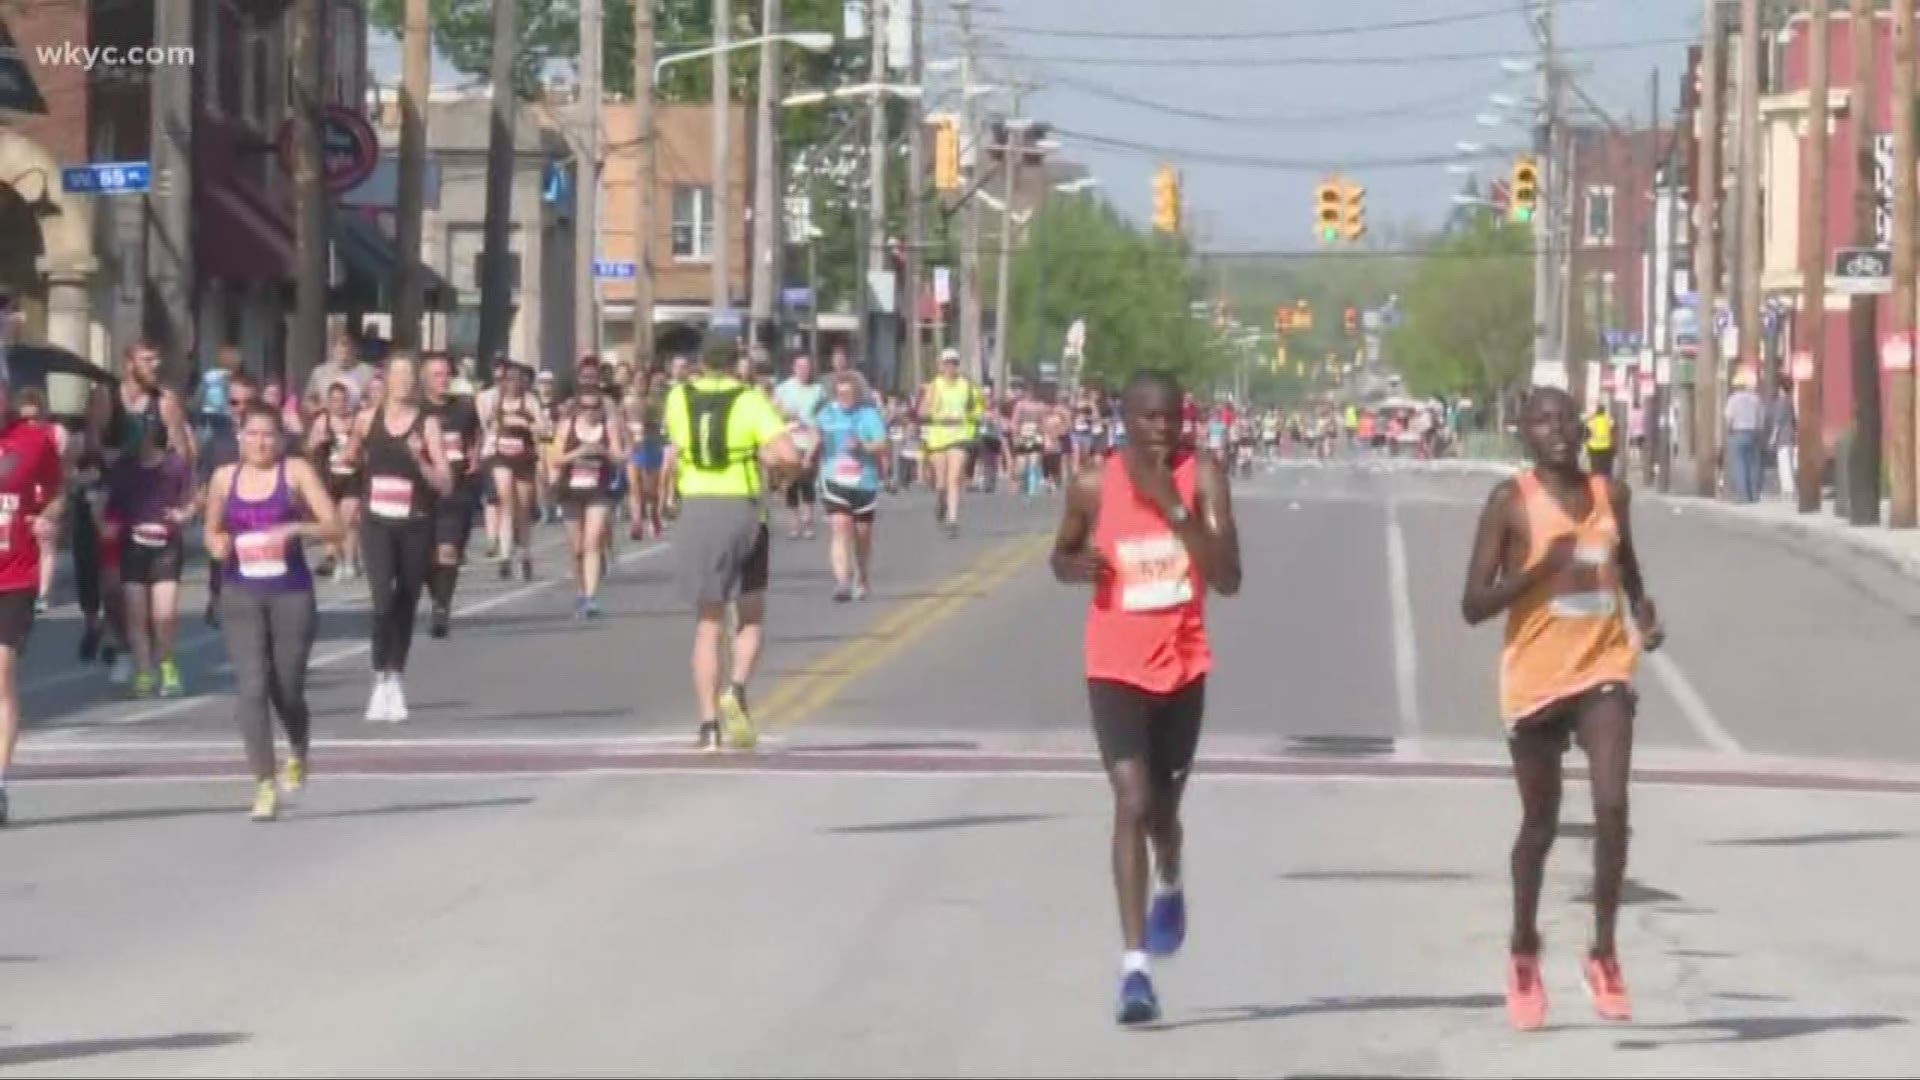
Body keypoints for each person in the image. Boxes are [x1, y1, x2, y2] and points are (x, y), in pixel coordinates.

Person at [1460, 385, 1664, 1032]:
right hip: (1535, 683)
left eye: (1566, 418)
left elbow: (1626, 564)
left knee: (1611, 806)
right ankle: (1524, 948)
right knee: (1540, 826)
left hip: (1603, 669)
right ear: (1524, 431)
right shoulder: (1509, 504)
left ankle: (1603, 954)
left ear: (1583, 427)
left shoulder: (1610, 496)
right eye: (1543, 420)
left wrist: (1643, 608)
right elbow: (1472, 604)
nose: (1557, 429)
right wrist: (1537, 571)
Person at [1050, 370, 1242, 1026]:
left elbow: (1229, 576)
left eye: (1172, 418)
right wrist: (1075, 567)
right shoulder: (1093, 484)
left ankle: (1172, 868)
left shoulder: (1205, 476)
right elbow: (1062, 553)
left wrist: (1174, 506)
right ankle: (1135, 969)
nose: (1162, 429)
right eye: (1148, 418)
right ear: (1125, 420)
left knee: (1162, 813)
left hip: (1184, 667)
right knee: (1131, 802)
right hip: (1114, 665)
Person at [203, 401, 342, 821]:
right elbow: (211, 529)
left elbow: (335, 525)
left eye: (269, 435)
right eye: (253, 434)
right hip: (240, 592)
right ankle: (263, 782)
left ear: (280, 439)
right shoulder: (224, 478)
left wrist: (296, 528)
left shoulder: (296, 472)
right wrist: (217, 545)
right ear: (240, 438)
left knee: (287, 687)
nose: (260, 442)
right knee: (251, 687)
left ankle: (298, 745)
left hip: (290, 594)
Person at [662, 336, 800, 751]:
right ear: (736, 363)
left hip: (697, 506)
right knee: (751, 613)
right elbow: (789, 454)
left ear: (701, 363)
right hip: (741, 508)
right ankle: (736, 688)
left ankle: (707, 725)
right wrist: (776, 471)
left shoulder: (677, 398)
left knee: (707, 623)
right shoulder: (750, 399)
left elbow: (676, 446)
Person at [349, 353, 456, 722]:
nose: (403, 382)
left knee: (406, 600)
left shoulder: (427, 426)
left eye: (409, 376)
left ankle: (396, 677)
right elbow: (349, 460)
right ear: (386, 380)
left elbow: (445, 483)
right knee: (381, 600)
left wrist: (420, 460)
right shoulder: (366, 420)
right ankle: (380, 676)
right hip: (376, 522)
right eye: (397, 375)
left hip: (415, 523)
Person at [0, 361, 66, 826]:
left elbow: (57, 491)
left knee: (0, 672)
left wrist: (49, 515)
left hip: (15, 575)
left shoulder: (33, 439)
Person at [104, 404, 197, 699]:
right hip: (133, 544)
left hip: (166, 544)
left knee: (164, 614)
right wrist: (105, 525)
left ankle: (166, 662)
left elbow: (195, 498)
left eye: (143, 433)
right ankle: (144, 670)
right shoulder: (123, 468)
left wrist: (185, 514)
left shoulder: (174, 466)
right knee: (135, 613)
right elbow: (110, 506)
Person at [553, 371, 626, 618]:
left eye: (595, 407)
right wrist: (578, 453)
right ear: (578, 407)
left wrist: (604, 452)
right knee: (577, 548)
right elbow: (555, 458)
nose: (590, 412)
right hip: (571, 488)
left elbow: (620, 456)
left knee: (592, 541)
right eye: (585, 408)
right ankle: (581, 591)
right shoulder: (567, 426)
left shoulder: (609, 426)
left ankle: (592, 598)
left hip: (599, 488)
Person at [422, 354, 483, 638]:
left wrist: (475, 455)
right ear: (424, 379)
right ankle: (437, 594)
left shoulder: (464, 409)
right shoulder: (417, 411)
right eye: (436, 374)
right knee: (425, 557)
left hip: (456, 491)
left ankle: (441, 608)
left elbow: (476, 437)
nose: (443, 380)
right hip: (422, 494)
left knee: (449, 551)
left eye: (446, 374)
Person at [816, 371, 888, 601]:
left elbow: (882, 443)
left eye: (849, 393)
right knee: (840, 524)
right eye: (840, 394)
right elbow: (814, 435)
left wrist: (863, 446)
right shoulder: (827, 414)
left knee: (862, 533)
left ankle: (862, 575)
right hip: (834, 477)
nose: (844, 397)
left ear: (857, 393)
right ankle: (842, 581)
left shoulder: (868, 414)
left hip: (864, 480)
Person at [194, 372, 258, 627]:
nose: (241, 409)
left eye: (247, 403)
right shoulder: (217, 442)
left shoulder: (271, 438)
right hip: (224, 514)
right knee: (220, 560)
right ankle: (217, 598)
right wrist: (200, 500)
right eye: (234, 402)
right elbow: (203, 478)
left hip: (259, 514)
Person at [485, 363, 548, 581]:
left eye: (516, 379)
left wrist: (530, 425)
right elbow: (489, 424)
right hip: (502, 454)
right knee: (505, 502)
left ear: (523, 381)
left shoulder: (529, 400)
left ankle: (524, 553)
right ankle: (504, 556)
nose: (512, 384)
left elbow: (542, 426)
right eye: (508, 379)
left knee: (522, 507)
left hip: (523, 456)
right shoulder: (497, 400)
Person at [918, 348, 983, 537]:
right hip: (939, 436)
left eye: (954, 363)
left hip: (960, 435)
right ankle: (941, 500)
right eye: (947, 363)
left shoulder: (967, 386)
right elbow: (922, 411)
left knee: (954, 478)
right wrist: (936, 414)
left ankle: (953, 520)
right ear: (941, 366)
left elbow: (979, 409)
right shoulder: (934, 386)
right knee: (941, 482)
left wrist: (969, 416)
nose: (950, 367)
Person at [13, 388, 66, 615]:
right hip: (19, 497)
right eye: (26, 418)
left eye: (36, 417)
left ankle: (42, 593)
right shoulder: (12, 435)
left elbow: (61, 470)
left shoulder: (55, 433)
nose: (31, 422)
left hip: (47, 495)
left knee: (45, 537)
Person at [307, 382, 364, 582]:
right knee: (332, 521)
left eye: (342, 400)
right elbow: (309, 448)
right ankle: (339, 560)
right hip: (329, 477)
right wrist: (317, 441)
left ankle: (349, 562)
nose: (339, 404)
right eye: (334, 400)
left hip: (352, 476)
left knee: (348, 520)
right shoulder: (322, 421)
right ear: (328, 402)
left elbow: (365, 447)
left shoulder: (357, 420)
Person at [773, 354, 826, 541]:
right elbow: (774, 412)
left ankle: (809, 521)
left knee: (807, 483)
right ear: (794, 368)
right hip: (790, 441)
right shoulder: (784, 389)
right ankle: (794, 523)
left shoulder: (818, 390)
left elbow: (824, 413)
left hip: (810, 441)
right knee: (791, 485)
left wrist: (817, 427)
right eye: (800, 367)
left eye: (807, 367)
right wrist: (786, 415)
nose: (804, 370)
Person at [305, 333, 376, 410]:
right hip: (327, 417)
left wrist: (367, 405)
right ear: (333, 350)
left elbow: (376, 399)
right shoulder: (320, 372)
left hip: (357, 417)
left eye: (348, 353)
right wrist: (316, 409)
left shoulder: (368, 372)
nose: (344, 358)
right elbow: (309, 398)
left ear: (356, 351)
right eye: (340, 353)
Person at [1723, 376, 1765, 504]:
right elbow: (1761, 418)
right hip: (1753, 432)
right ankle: (1754, 494)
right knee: (1753, 465)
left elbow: (1729, 419)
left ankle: (1743, 495)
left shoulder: (1733, 399)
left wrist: (1728, 431)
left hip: (1738, 432)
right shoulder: (1755, 399)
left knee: (1739, 464)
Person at [1768, 377, 1798, 501]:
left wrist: (1773, 437)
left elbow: (1778, 422)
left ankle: (1788, 491)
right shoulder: (1789, 401)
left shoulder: (1781, 402)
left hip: (1783, 437)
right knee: (1789, 463)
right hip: (1790, 435)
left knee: (1784, 465)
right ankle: (1790, 490)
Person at [1585, 404, 1616, 479]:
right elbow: (1613, 425)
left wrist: (1591, 416)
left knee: (1595, 466)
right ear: (1604, 411)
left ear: (1596, 411)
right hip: (1606, 446)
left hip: (1594, 446)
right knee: (1605, 467)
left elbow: (1587, 426)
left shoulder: (1592, 421)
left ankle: (1595, 479)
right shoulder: (1608, 419)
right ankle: (1605, 478)